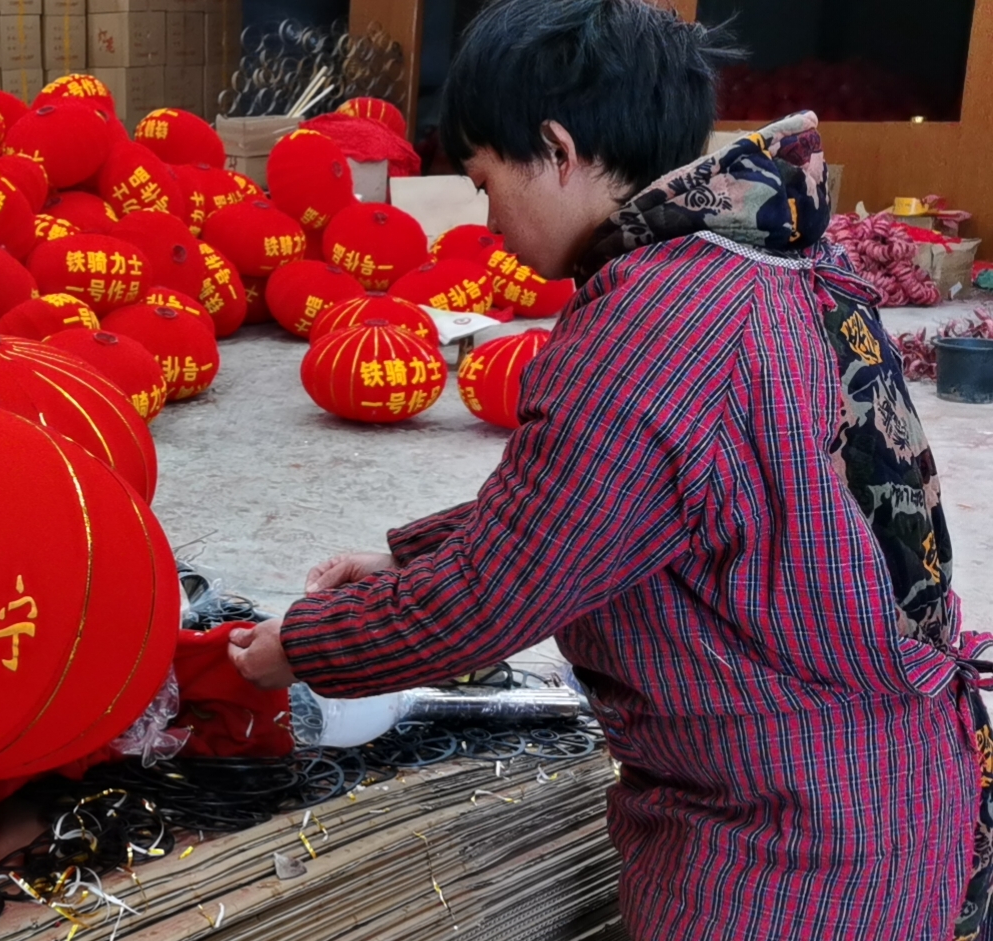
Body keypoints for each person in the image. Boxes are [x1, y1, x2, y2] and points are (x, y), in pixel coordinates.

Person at [224, 1, 990, 938]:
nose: (489, 220)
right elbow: (617, 496)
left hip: (788, 848)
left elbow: (486, 601)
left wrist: (301, 647)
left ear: (557, 150)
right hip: (886, 792)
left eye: (484, 182)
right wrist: (405, 554)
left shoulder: (653, 325)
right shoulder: (764, 260)